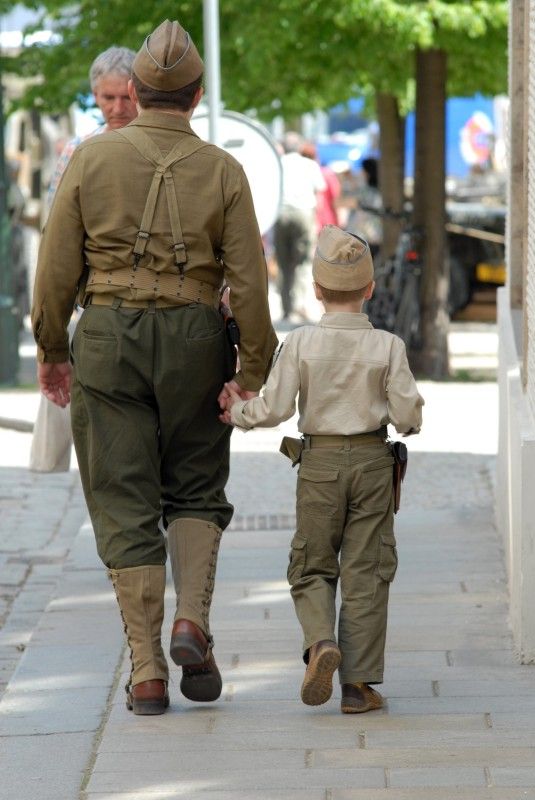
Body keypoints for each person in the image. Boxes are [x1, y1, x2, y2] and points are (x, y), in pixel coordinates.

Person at [31, 19, 277, 716]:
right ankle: (190, 620)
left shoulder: (90, 160)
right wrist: (253, 370)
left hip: (109, 336)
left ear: (134, 93)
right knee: (195, 483)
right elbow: (250, 282)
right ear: (196, 97)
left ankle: (145, 673)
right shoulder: (224, 170)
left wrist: (52, 350)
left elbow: (54, 267)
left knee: (123, 495)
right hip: (197, 337)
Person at [220, 225, 423, 714]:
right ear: (369, 288)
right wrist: (407, 415)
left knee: (311, 563)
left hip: (319, 464)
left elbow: (273, 408)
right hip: (373, 464)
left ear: (315, 289)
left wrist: (236, 412)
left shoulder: (301, 342)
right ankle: (357, 687)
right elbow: (407, 417)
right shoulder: (389, 346)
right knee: (367, 570)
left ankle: (320, 642)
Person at [30, 46, 137, 474]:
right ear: (95, 96)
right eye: (108, 98)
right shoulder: (78, 150)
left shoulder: (163, 146)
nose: (118, 107)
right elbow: (56, 239)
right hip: (96, 305)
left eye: (126, 96)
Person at [273, 131, 325, 321]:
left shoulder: (277, 164)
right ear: (300, 147)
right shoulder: (310, 165)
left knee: (283, 263)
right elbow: (319, 193)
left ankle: (287, 308)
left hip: (280, 214)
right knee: (302, 262)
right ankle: (300, 305)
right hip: (303, 214)